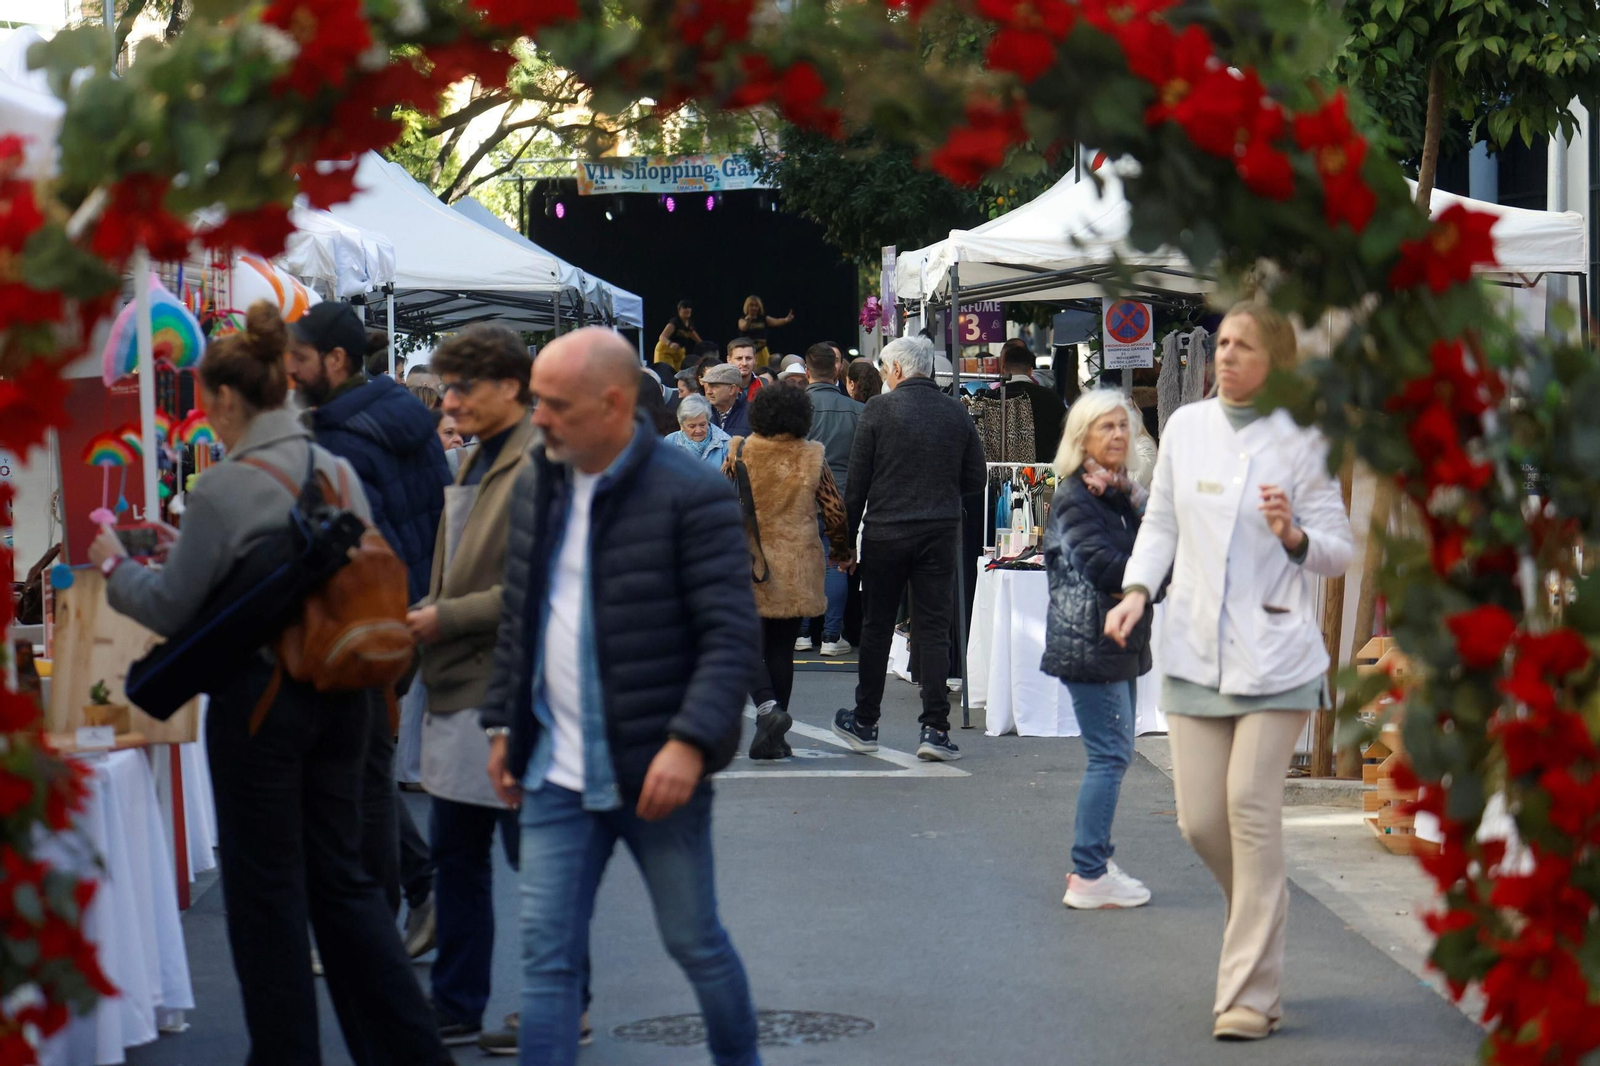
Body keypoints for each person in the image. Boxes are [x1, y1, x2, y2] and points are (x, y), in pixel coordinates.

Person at [92, 301, 449, 1066]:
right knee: (344, 882)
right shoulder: (336, 467)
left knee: (267, 896)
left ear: (224, 400)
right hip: (346, 696)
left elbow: (168, 604)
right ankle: (407, 1050)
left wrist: (117, 564)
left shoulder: (224, 488)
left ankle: (285, 1055)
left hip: (260, 705)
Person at [481, 327, 761, 1066]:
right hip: (553, 772)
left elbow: (730, 636)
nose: (535, 417)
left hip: (656, 768)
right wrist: (502, 725)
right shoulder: (538, 483)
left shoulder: (693, 493)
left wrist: (689, 741)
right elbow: (522, 615)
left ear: (612, 404)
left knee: (695, 942)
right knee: (547, 965)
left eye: (552, 403)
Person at [1106, 300, 1353, 1042]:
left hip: (1276, 654)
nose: (1227, 356)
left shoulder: (1302, 439)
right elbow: (1162, 525)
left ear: (1275, 360)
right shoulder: (1186, 428)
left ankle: (1247, 991)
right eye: (1223, 344)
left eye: (1245, 346)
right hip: (1193, 649)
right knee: (1201, 821)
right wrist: (1136, 590)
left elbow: (1337, 549)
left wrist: (1295, 534)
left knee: (1249, 805)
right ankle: (1260, 905)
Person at [284, 300, 449, 968]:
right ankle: (413, 893)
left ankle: (382, 915)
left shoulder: (340, 436)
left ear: (337, 361)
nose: (292, 372)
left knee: (358, 767)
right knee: (364, 765)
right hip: (407, 610)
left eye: (300, 359)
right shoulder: (404, 416)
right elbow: (440, 513)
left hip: (373, 618)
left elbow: (346, 542)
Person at [404, 325, 538, 1052]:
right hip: (462, 683)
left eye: (463, 388)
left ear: (509, 388)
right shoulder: (480, 459)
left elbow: (534, 588)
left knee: (535, 857)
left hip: (509, 689)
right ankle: (456, 1002)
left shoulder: (535, 463)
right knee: (457, 855)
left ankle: (558, 1002)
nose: (449, 403)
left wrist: (441, 616)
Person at [835, 336, 985, 763]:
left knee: (877, 627)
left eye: (884, 370)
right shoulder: (956, 411)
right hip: (939, 532)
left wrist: (845, 543)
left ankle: (865, 722)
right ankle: (935, 729)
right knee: (933, 630)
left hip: (885, 532)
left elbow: (856, 485)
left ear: (898, 370)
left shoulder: (879, 410)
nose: (883, 377)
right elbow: (976, 479)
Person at [1042, 390, 1159, 911]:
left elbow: (1161, 558)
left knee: (1112, 754)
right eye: (1104, 426)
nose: (1117, 434)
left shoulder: (1116, 493)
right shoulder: (1075, 496)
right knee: (1110, 756)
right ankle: (1089, 874)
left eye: (1122, 425)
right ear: (1081, 437)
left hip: (1115, 640)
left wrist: (1136, 504)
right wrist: (1149, 571)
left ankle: (1096, 862)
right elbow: (1113, 571)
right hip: (1091, 640)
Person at [724, 386, 853, 760]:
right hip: (797, 563)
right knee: (781, 648)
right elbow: (835, 512)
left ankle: (767, 710)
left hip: (749, 561)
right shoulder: (813, 456)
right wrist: (841, 552)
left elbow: (720, 500)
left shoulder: (741, 451)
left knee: (744, 640)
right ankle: (775, 736)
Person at [798, 343, 863, 656]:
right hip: (844, 495)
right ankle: (831, 635)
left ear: (807, 371)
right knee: (836, 563)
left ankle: (802, 632)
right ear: (838, 369)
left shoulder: (796, 408)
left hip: (801, 495)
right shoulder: (857, 410)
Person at [999, 338, 1067, 464]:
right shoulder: (1051, 398)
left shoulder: (991, 398)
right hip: (1045, 476)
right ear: (1031, 371)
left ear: (1003, 369)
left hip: (999, 474)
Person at [667, 394, 732, 466]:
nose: (698, 430)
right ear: (681, 425)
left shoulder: (726, 444)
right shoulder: (670, 442)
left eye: (702, 425)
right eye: (692, 426)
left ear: (708, 420)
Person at [737, 295, 794, 367]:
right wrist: (748, 321)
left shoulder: (763, 318)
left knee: (765, 369)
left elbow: (775, 321)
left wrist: (786, 320)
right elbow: (743, 327)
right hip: (748, 350)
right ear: (747, 307)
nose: (754, 308)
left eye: (756, 306)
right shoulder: (742, 319)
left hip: (762, 349)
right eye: (751, 305)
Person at [703, 363, 752, 439]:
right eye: (708, 386)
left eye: (714, 387)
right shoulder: (702, 412)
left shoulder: (753, 415)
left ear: (731, 389)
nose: (708, 392)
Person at [657, 299, 702, 368]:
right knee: (668, 372)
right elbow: (662, 337)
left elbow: (695, 337)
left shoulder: (689, 324)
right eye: (685, 307)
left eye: (689, 308)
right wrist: (670, 344)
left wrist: (703, 346)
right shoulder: (674, 322)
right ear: (679, 310)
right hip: (666, 351)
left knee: (678, 374)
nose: (687, 309)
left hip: (678, 352)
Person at [728, 337, 762, 403]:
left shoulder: (764, 384)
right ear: (729, 360)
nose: (744, 363)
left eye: (748, 358)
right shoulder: (722, 387)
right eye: (739, 358)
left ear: (755, 359)